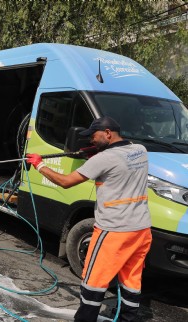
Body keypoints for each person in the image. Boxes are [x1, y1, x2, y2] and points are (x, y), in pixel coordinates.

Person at [26, 116, 152, 322]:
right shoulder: (140, 150)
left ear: (108, 133)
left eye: (94, 136)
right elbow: (118, 164)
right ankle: (128, 318)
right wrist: (96, 152)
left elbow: (66, 182)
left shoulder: (103, 159)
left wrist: (40, 165)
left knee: (93, 280)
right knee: (131, 279)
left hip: (114, 230)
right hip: (141, 230)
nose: (91, 141)